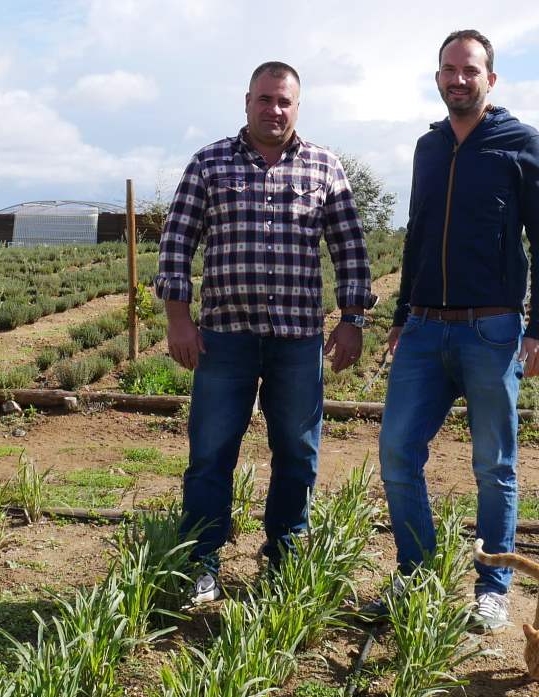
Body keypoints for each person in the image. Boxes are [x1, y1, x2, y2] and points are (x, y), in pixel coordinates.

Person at [155, 61, 375, 603]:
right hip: (224, 337)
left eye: (284, 102)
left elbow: (349, 248)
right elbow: (177, 242)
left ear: (297, 107)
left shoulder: (324, 167)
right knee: (211, 451)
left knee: (298, 451)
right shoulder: (210, 163)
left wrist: (352, 321)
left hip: (297, 339)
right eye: (265, 99)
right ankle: (200, 561)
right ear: (247, 101)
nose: (273, 110)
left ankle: (284, 556)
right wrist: (178, 319)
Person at [376, 30, 539, 629]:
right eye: (449, 69)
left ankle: (493, 586)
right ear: (437, 79)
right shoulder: (428, 148)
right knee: (398, 452)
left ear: (491, 78)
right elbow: (416, 234)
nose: (459, 78)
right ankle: (418, 573)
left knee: (494, 466)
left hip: (493, 331)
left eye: (471, 69)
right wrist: (402, 316)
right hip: (425, 331)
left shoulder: (520, 143)